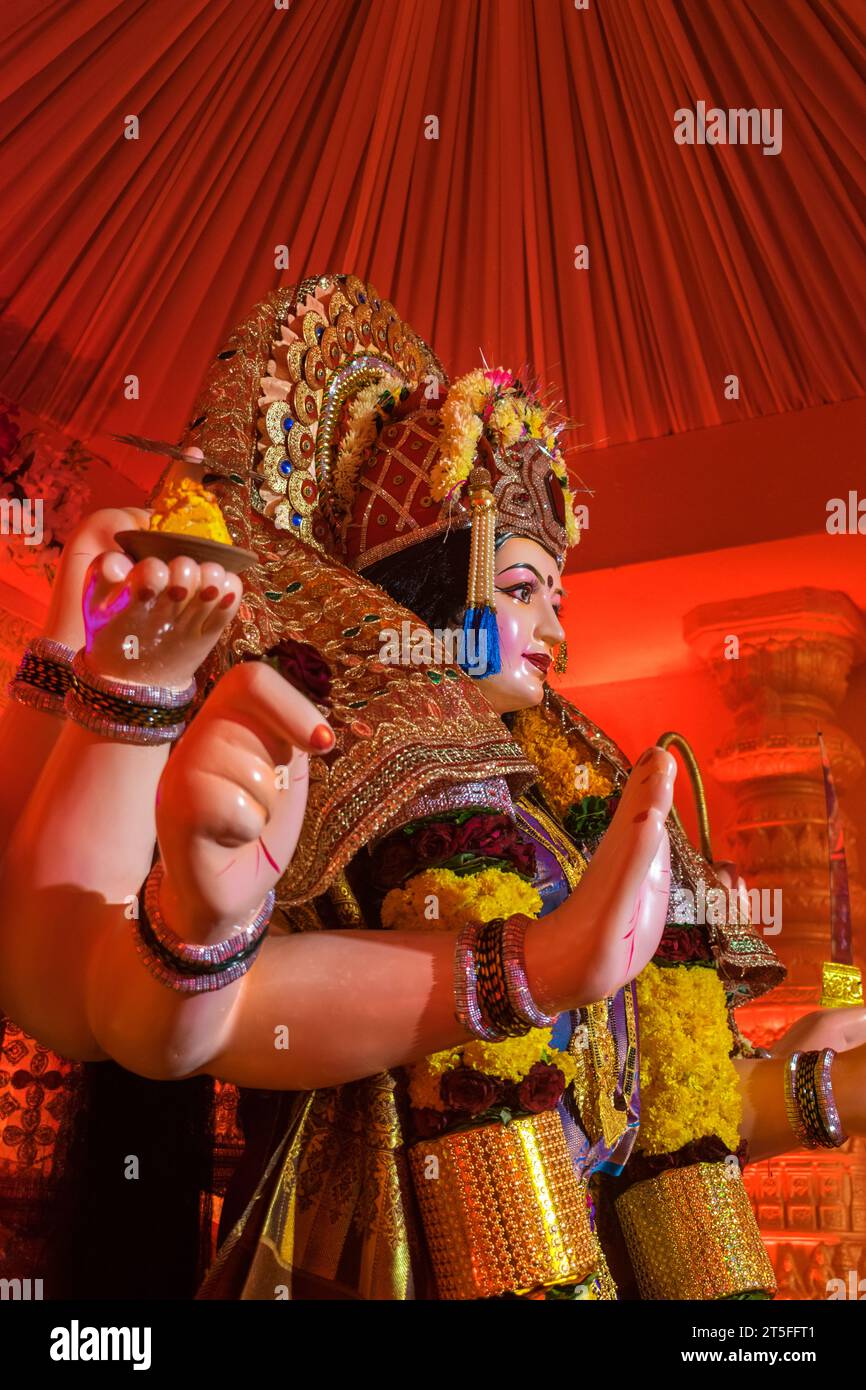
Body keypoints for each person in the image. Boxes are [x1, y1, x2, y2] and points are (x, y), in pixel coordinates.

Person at [1, 271, 865, 1300]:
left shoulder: (572, 803)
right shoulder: (338, 756)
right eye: (517, 589)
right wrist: (522, 964)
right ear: (426, 585)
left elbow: (665, 1122)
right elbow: (134, 1018)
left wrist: (828, 1086)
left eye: (555, 592)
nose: (554, 628)